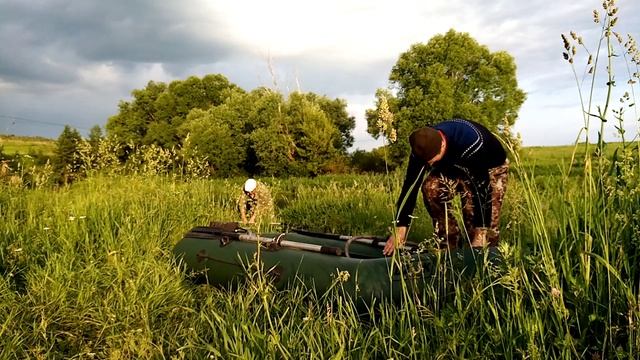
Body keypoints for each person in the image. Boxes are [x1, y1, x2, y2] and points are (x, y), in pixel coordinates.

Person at [383, 118, 509, 255]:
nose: (430, 165)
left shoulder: (471, 141)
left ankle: (489, 260)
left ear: (442, 145)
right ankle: (449, 244)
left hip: (488, 168)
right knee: (431, 187)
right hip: (453, 167)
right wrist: (400, 227)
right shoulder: (421, 148)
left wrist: (480, 233)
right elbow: (410, 186)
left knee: (476, 227)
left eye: (433, 161)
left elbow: (482, 188)